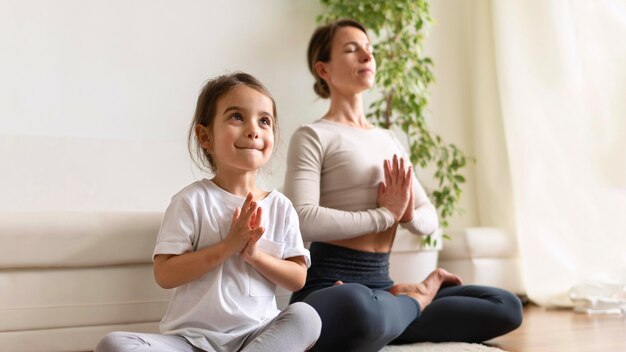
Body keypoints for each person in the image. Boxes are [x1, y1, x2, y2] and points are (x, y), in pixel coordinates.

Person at [284, 19, 523, 352]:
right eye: (352, 49)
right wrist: (385, 215)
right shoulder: (313, 136)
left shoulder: (389, 140)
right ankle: (412, 302)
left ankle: (393, 310)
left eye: (370, 49)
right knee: (357, 306)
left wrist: (407, 214)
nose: (366, 55)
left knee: (506, 305)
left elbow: (429, 218)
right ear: (323, 69)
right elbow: (303, 218)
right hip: (333, 285)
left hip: (383, 284)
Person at [95, 72, 321, 352]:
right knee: (114, 344)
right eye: (237, 117)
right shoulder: (191, 200)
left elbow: (297, 277)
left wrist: (254, 255)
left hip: (256, 337)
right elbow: (165, 274)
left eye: (264, 121)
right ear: (205, 136)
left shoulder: (281, 207)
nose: (253, 129)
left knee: (307, 317)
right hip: (189, 341)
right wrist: (229, 246)